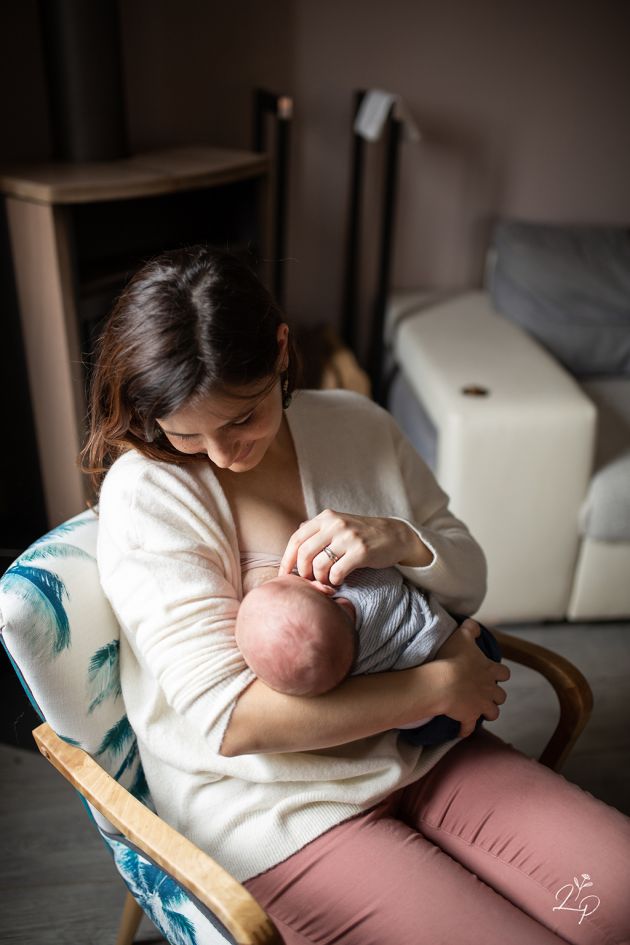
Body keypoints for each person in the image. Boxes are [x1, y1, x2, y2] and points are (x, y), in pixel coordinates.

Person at [85, 245, 630, 944]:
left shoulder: (356, 424)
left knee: (615, 898)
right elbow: (234, 721)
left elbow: (471, 578)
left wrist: (402, 540)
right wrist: (437, 686)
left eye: (243, 419)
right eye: (187, 433)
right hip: (278, 805)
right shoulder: (148, 493)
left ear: (281, 351)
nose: (221, 452)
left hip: (427, 752)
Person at [235, 566, 502, 745]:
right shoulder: (369, 586)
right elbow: (390, 572)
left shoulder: (345, 668)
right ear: (322, 588)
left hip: (425, 726)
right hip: (469, 647)